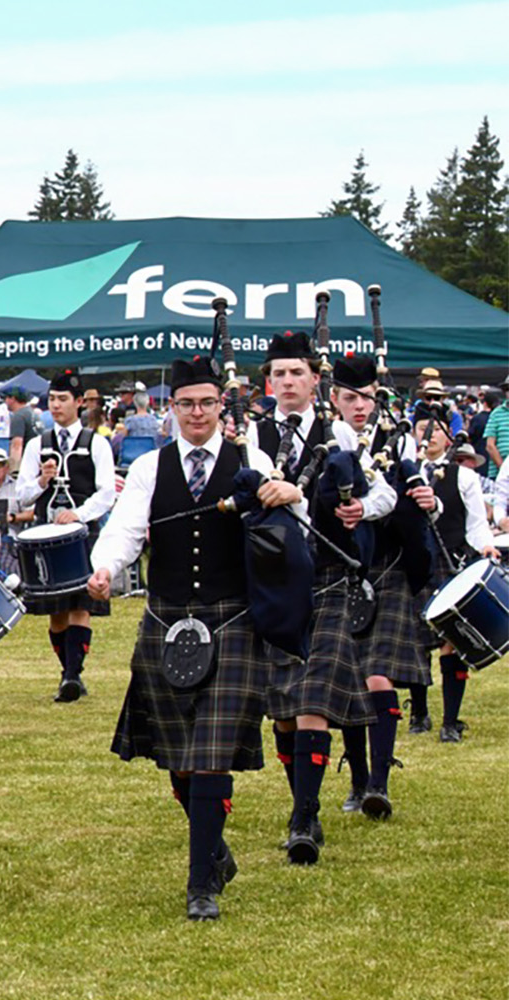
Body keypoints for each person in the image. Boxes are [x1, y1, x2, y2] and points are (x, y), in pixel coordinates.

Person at [89, 352, 303, 921]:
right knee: (179, 760)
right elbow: (126, 527)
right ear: (172, 409)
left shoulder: (248, 457)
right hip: (166, 618)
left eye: (208, 403)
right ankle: (215, 847)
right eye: (186, 404)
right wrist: (107, 568)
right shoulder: (149, 468)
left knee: (210, 756)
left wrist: (291, 493)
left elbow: (284, 501)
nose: (198, 413)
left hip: (233, 619)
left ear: (220, 406)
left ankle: (201, 883)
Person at [255, 332, 391, 867]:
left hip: (330, 577)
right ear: (271, 381)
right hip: (273, 582)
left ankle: (304, 817)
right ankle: (301, 799)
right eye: (279, 373)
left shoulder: (339, 434)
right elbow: (257, 491)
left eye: (297, 373)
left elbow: (380, 489)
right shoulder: (253, 434)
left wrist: (363, 509)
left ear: (316, 379)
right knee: (285, 712)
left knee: (312, 701)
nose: (288, 382)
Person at [328, 355, 428, 818]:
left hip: (388, 568)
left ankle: (379, 783)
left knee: (377, 676)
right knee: (349, 679)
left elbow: (419, 498)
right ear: (335, 400)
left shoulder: (396, 440)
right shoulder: (325, 442)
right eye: (351, 398)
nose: (360, 407)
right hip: (341, 571)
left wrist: (428, 500)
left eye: (367, 398)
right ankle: (356, 779)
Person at [16, 369, 117, 703]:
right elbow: (22, 496)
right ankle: (68, 671)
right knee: (57, 614)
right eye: (52, 400)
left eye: (62, 399)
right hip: (47, 539)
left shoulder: (96, 443)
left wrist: (79, 514)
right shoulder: (37, 445)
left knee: (80, 606)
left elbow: (106, 493)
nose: (56, 406)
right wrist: (42, 481)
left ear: (79, 402)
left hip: (83, 536)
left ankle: (72, 675)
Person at [415, 411, 500, 744]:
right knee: (416, 645)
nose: (430, 436)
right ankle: (419, 714)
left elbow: (477, 522)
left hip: (451, 561)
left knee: (453, 642)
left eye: (436, 430)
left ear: (448, 438)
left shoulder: (462, 476)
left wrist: (487, 546)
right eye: (424, 429)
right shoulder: (400, 471)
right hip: (413, 565)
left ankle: (450, 721)